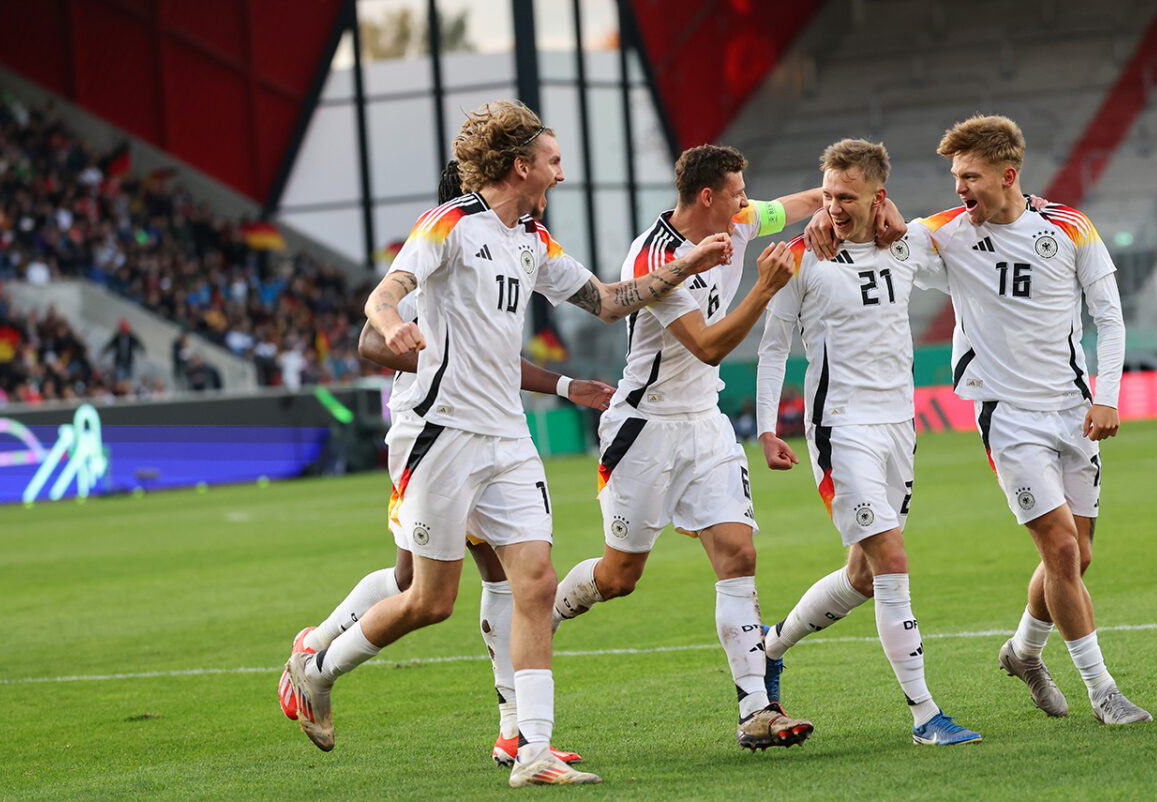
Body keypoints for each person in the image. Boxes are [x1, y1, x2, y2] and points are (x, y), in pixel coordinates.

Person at [282, 99, 733, 788]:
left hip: (508, 438)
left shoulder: (532, 240)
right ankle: (318, 667)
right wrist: (393, 324)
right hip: (441, 435)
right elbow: (384, 296)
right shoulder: (450, 224)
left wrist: (686, 262)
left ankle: (532, 748)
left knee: (535, 582)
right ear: (521, 166)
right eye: (553, 160)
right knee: (428, 600)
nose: (560, 173)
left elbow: (608, 300)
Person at [550, 144, 905, 752]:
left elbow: (809, 200)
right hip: (645, 428)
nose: (749, 203)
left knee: (739, 555)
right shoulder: (655, 259)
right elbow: (709, 346)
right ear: (708, 197)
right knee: (620, 576)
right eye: (739, 193)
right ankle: (547, 611)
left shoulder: (737, 222)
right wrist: (764, 289)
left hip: (706, 424)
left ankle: (756, 710)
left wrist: (870, 209)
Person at [806, 114, 1146, 725]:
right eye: (955, 177)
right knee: (1061, 549)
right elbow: (869, 231)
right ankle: (1103, 692)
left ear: (1007, 176)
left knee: (1078, 556)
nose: (959, 188)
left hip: (1073, 410)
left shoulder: (1070, 227)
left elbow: (1110, 318)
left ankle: (1023, 652)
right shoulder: (943, 233)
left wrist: (1107, 396)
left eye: (970, 177)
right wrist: (827, 218)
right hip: (1007, 416)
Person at [276, 161, 612, 769]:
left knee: (506, 578)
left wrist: (562, 385)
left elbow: (498, 356)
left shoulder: (515, 246)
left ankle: (517, 733)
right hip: (433, 432)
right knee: (418, 586)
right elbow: (370, 339)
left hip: (492, 434)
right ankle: (317, 651)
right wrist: (440, 361)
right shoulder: (443, 245)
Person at [756, 138, 981, 746]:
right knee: (892, 560)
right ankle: (925, 715)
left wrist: (899, 219)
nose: (833, 207)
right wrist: (768, 428)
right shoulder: (801, 256)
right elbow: (774, 348)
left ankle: (771, 646)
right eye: (828, 195)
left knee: (862, 575)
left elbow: (967, 233)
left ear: (879, 197)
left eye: (847, 197)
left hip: (899, 426)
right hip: (840, 428)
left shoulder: (904, 244)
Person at [101, 317, 144, 382]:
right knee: (120, 378)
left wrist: (142, 349)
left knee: (129, 378)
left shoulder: (131, 337)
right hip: (119, 362)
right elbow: (111, 344)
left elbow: (138, 343)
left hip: (129, 361)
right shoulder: (118, 337)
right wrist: (105, 351)